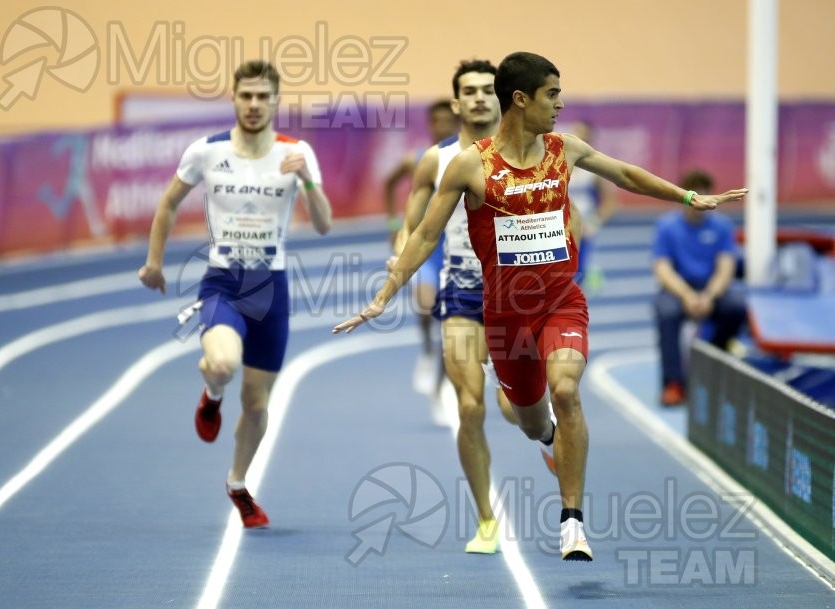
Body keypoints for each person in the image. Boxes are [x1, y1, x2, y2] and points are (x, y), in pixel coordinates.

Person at [334, 51, 747, 561]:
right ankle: (548, 436)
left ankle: (571, 521)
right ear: (522, 99)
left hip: (560, 303)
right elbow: (423, 234)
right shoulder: (469, 165)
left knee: (567, 389)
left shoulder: (563, 148)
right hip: (503, 316)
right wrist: (383, 296)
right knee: (528, 418)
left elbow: (624, 174)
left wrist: (686, 197)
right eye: (552, 94)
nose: (561, 103)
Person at [138, 60, 333, 528]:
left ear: (275, 101)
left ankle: (238, 484)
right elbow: (168, 202)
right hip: (224, 282)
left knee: (257, 403)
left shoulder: (297, 151)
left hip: (271, 289)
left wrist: (306, 179)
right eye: (246, 96)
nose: (253, 105)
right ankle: (211, 391)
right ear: (234, 98)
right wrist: (154, 263)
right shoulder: (206, 151)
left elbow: (325, 224)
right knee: (223, 363)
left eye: (263, 97)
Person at [392, 59, 525, 554]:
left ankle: (548, 430)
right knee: (469, 407)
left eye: (487, 90)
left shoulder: (527, 156)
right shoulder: (436, 160)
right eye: (468, 91)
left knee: (515, 410)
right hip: (462, 294)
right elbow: (414, 223)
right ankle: (486, 520)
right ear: (455, 104)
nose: (477, 98)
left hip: (517, 297)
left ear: (505, 97)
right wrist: (401, 255)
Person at [384, 100, 460, 399]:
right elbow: (389, 184)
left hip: (455, 248)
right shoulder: (415, 160)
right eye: (436, 121)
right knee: (426, 308)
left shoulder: (466, 160)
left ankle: (442, 385)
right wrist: (393, 224)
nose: (442, 127)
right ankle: (428, 351)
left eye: (447, 121)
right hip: (425, 246)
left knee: (449, 322)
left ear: (456, 124)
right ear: (429, 124)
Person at [652, 170, 746, 406]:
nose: (699, 199)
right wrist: (687, 295)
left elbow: (726, 267)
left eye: (704, 192)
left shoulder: (722, 227)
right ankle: (673, 383)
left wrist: (709, 297)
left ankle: (711, 362)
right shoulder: (667, 227)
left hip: (710, 289)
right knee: (666, 312)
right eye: (694, 193)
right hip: (679, 289)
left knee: (736, 308)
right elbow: (663, 269)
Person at [566, 120, 617, 289]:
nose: (579, 138)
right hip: (561, 226)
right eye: (576, 135)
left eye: (583, 136)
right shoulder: (561, 164)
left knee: (578, 275)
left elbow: (610, 201)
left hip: (585, 229)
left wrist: (594, 222)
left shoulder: (594, 169)